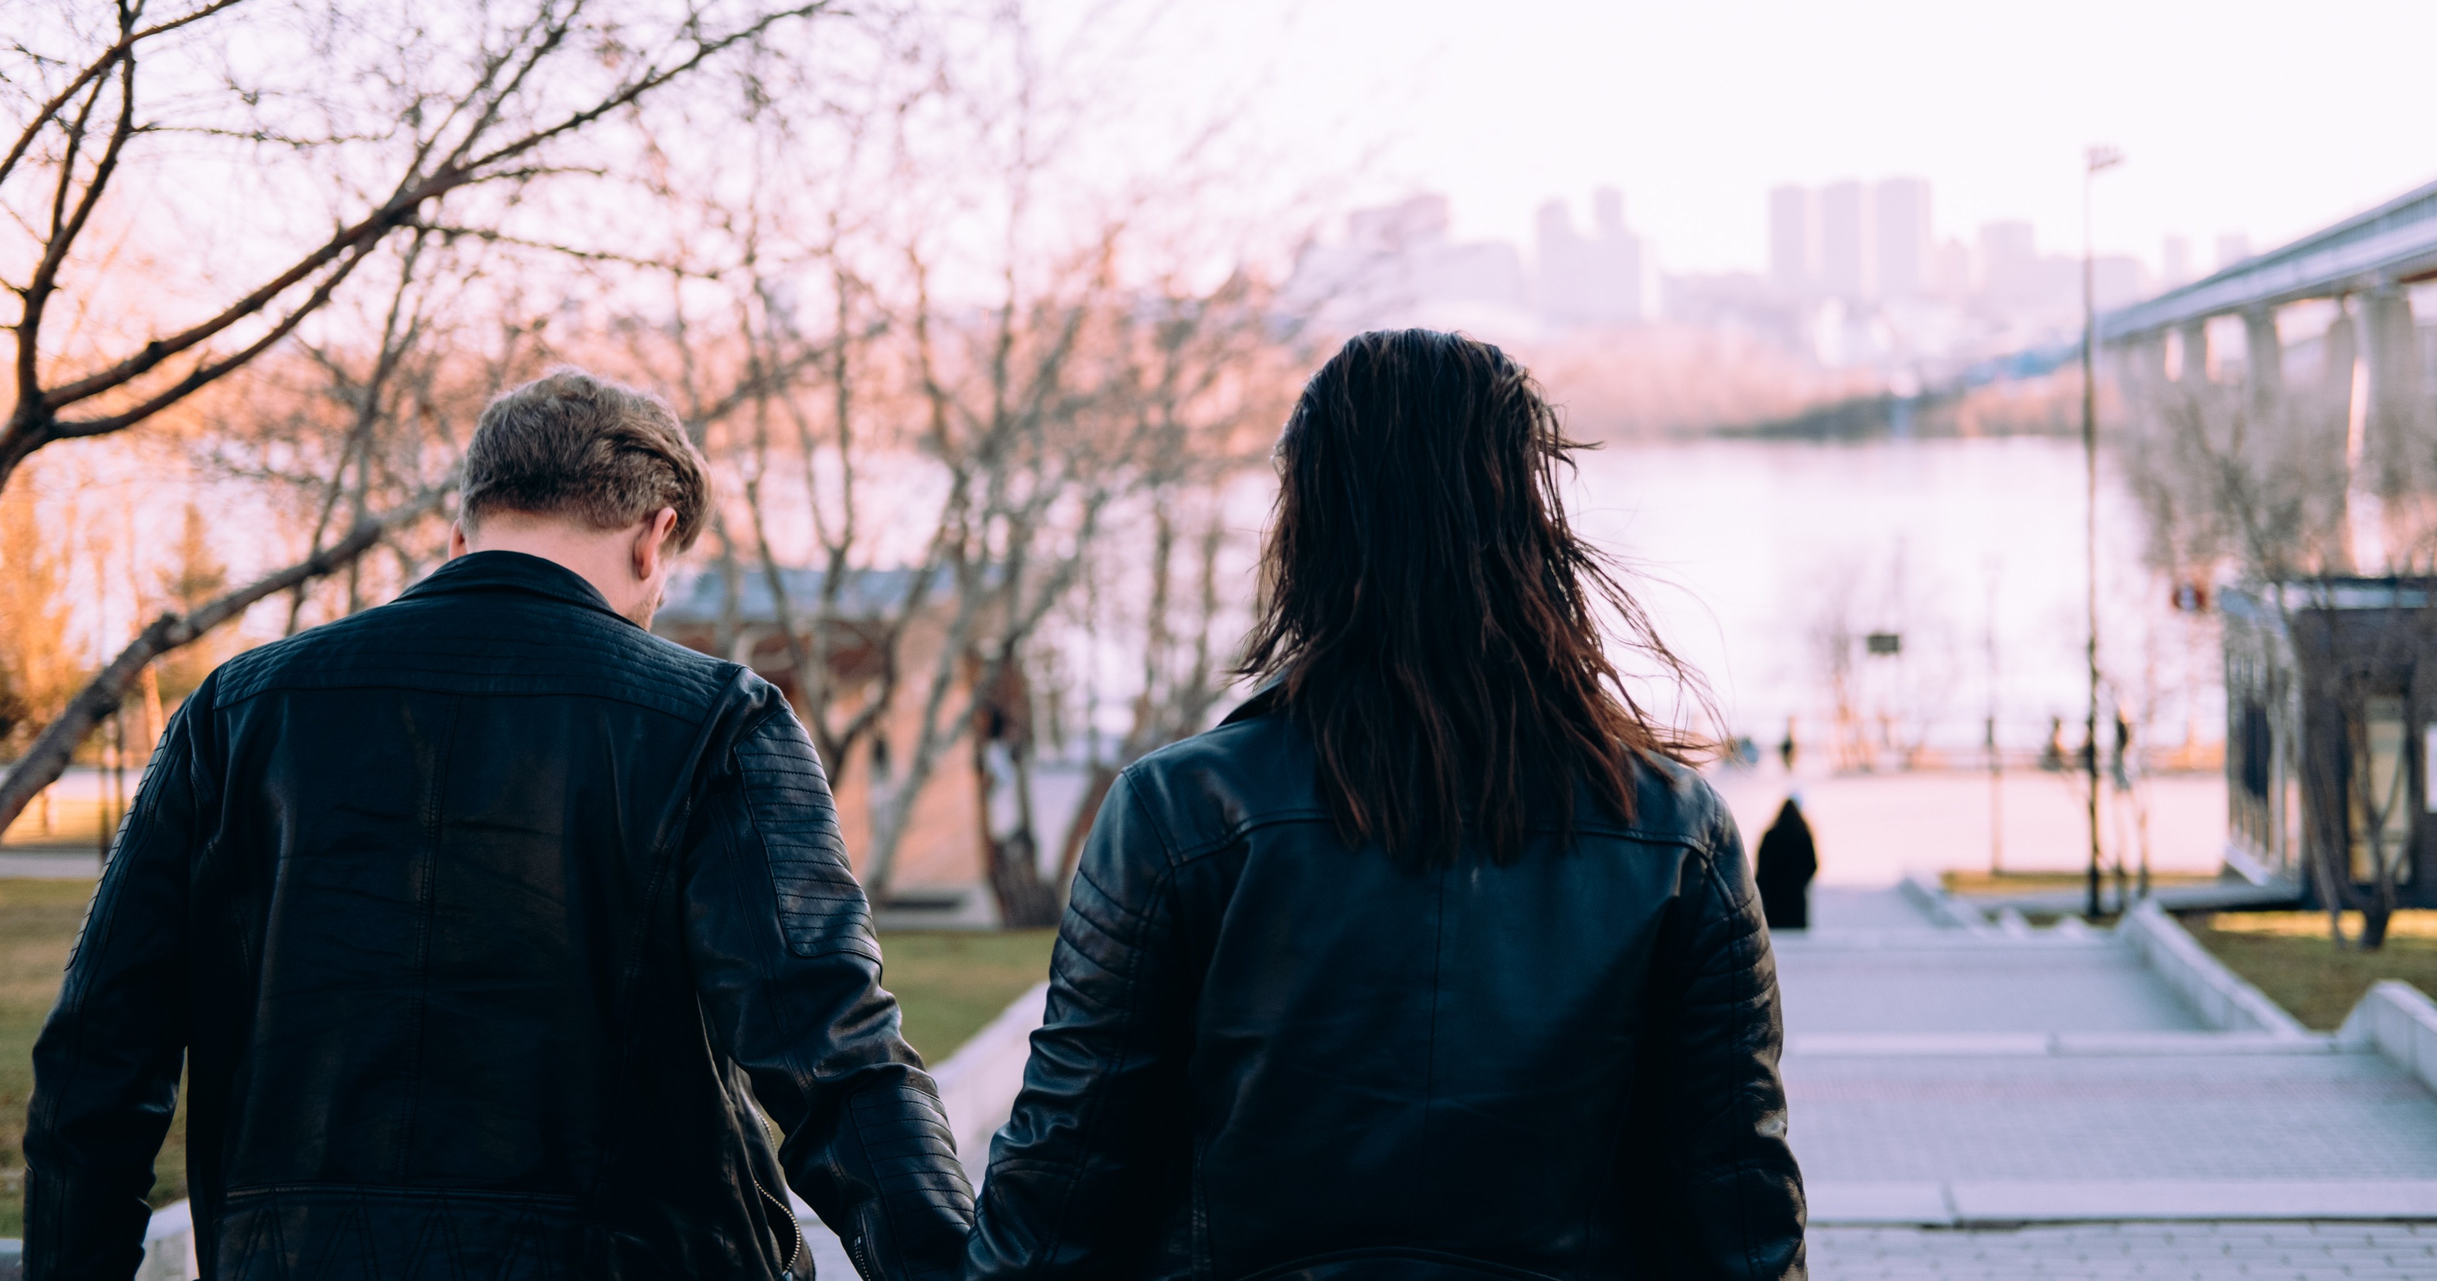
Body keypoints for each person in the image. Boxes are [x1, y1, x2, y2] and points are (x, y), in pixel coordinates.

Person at [25, 371, 971, 1280]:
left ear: (462, 530)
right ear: (656, 538)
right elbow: (834, 1055)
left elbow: (95, 1058)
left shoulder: (237, 711)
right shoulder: (717, 720)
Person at [967, 329, 1805, 1281]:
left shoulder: (1177, 813)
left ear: (1310, 525)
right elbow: (1741, 1219)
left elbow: (1061, 1185)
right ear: (1533, 523)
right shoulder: (1675, 832)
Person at [1754, 796, 1820, 931]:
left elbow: (1762, 868)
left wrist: (1764, 887)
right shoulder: (1803, 836)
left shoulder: (1770, 836)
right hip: (1796, 899)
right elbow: (1812, 865)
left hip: (1774, 899)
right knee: (1796, 940)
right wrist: (1800, 881)